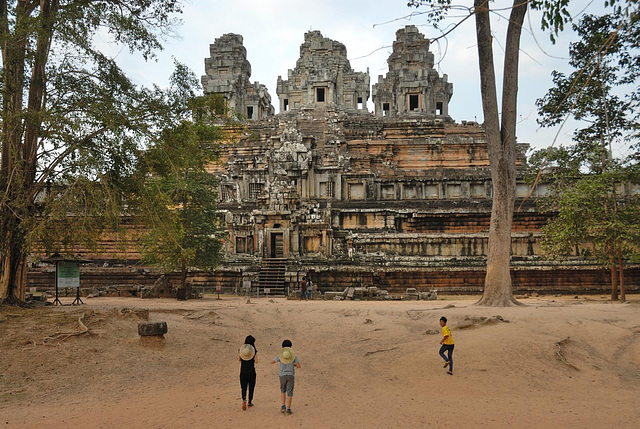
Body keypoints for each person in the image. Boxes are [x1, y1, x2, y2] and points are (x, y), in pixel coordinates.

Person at [270, 339, 301, 415]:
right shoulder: (293, 356)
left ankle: (283, 406)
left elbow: (272, 361)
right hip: (290, 375)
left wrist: (280, 361)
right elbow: (298, 365)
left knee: (283, 390)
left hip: (282, 375)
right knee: (289, 393)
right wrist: (292, 364)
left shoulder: (280, 355)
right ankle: (288, 409)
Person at [239, 335, 258, 410]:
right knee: (251, 386)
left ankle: (244, 399)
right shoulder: (254, 351)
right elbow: (256, 361)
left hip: (243, 371)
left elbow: (239, 359)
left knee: (243, 387)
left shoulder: (242, 350)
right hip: (251, 371)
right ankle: (249, 401)